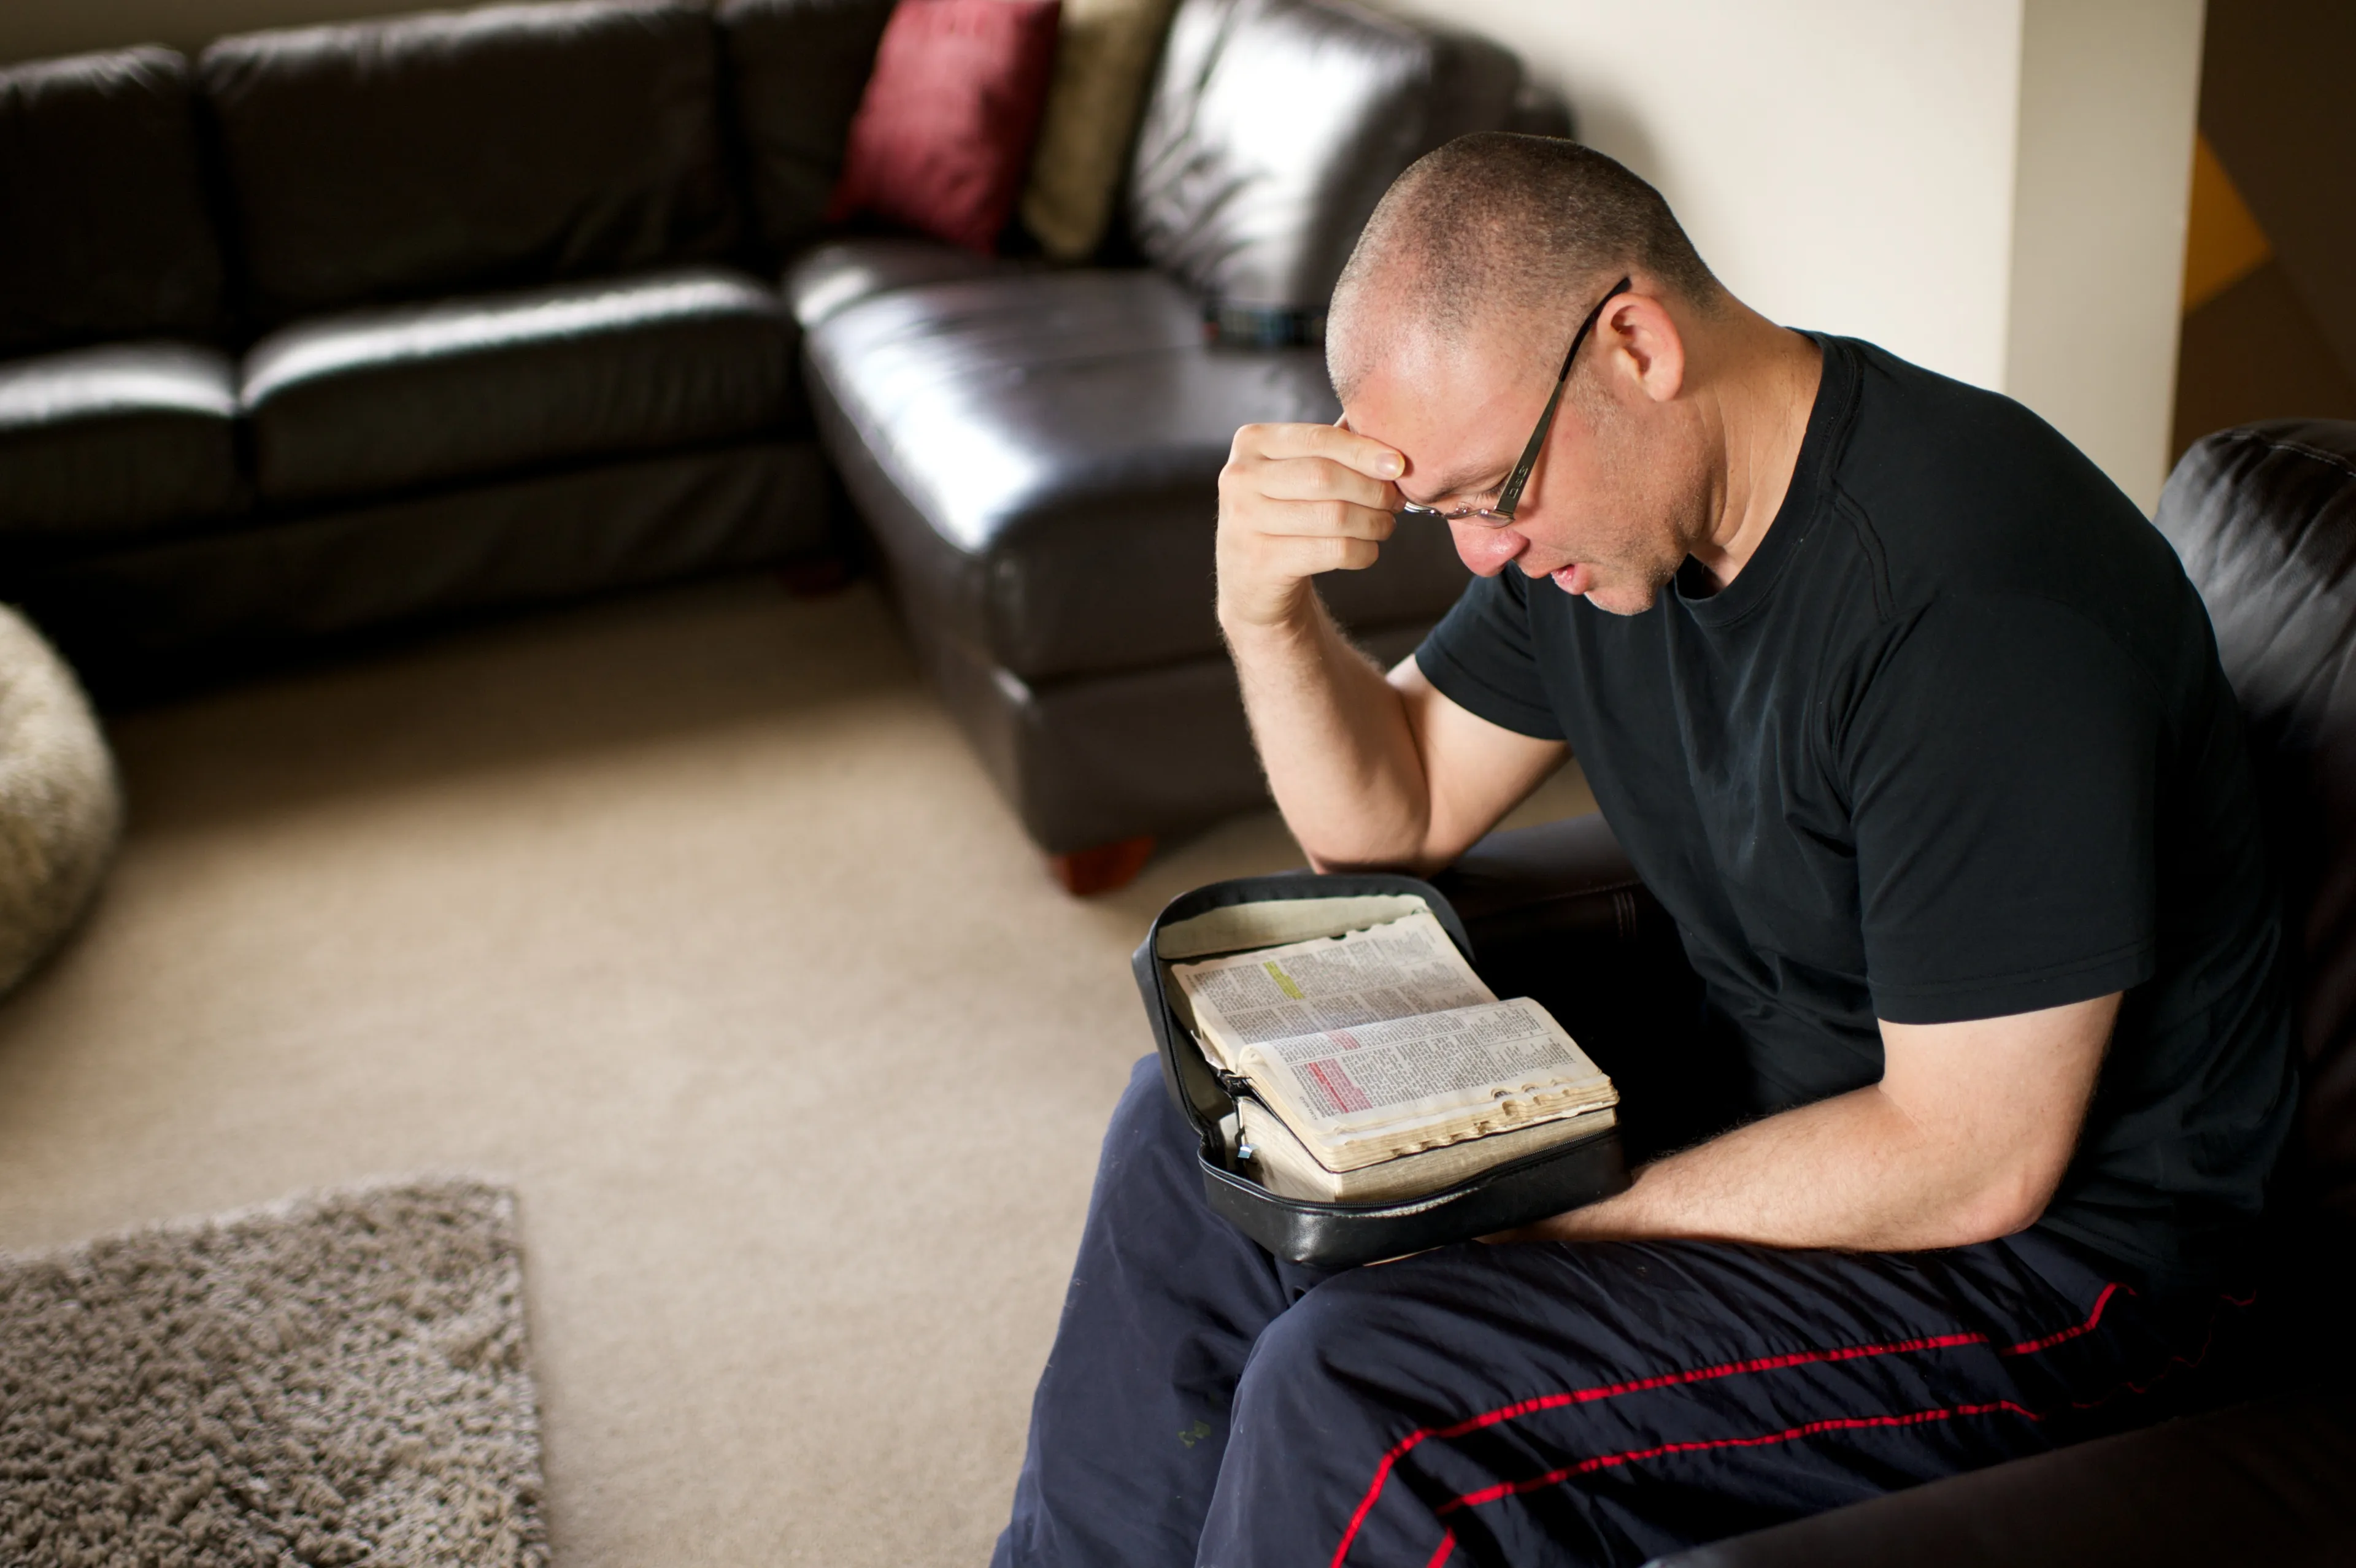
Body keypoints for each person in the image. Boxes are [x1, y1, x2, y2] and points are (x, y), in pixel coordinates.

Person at [991, 134, 2295, 1568]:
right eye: (1445, 512)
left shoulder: (1979, 604)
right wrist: (1264, 612)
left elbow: (1973, 1158)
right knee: (1198, 1145)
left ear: (1635, 344)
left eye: (1491, 495)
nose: (1478, 553)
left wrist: (1517, 1232)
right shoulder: (1595, 520)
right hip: (1767, 1099)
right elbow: (1391, 812)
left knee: (1362, 1386)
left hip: (2066, 1268)